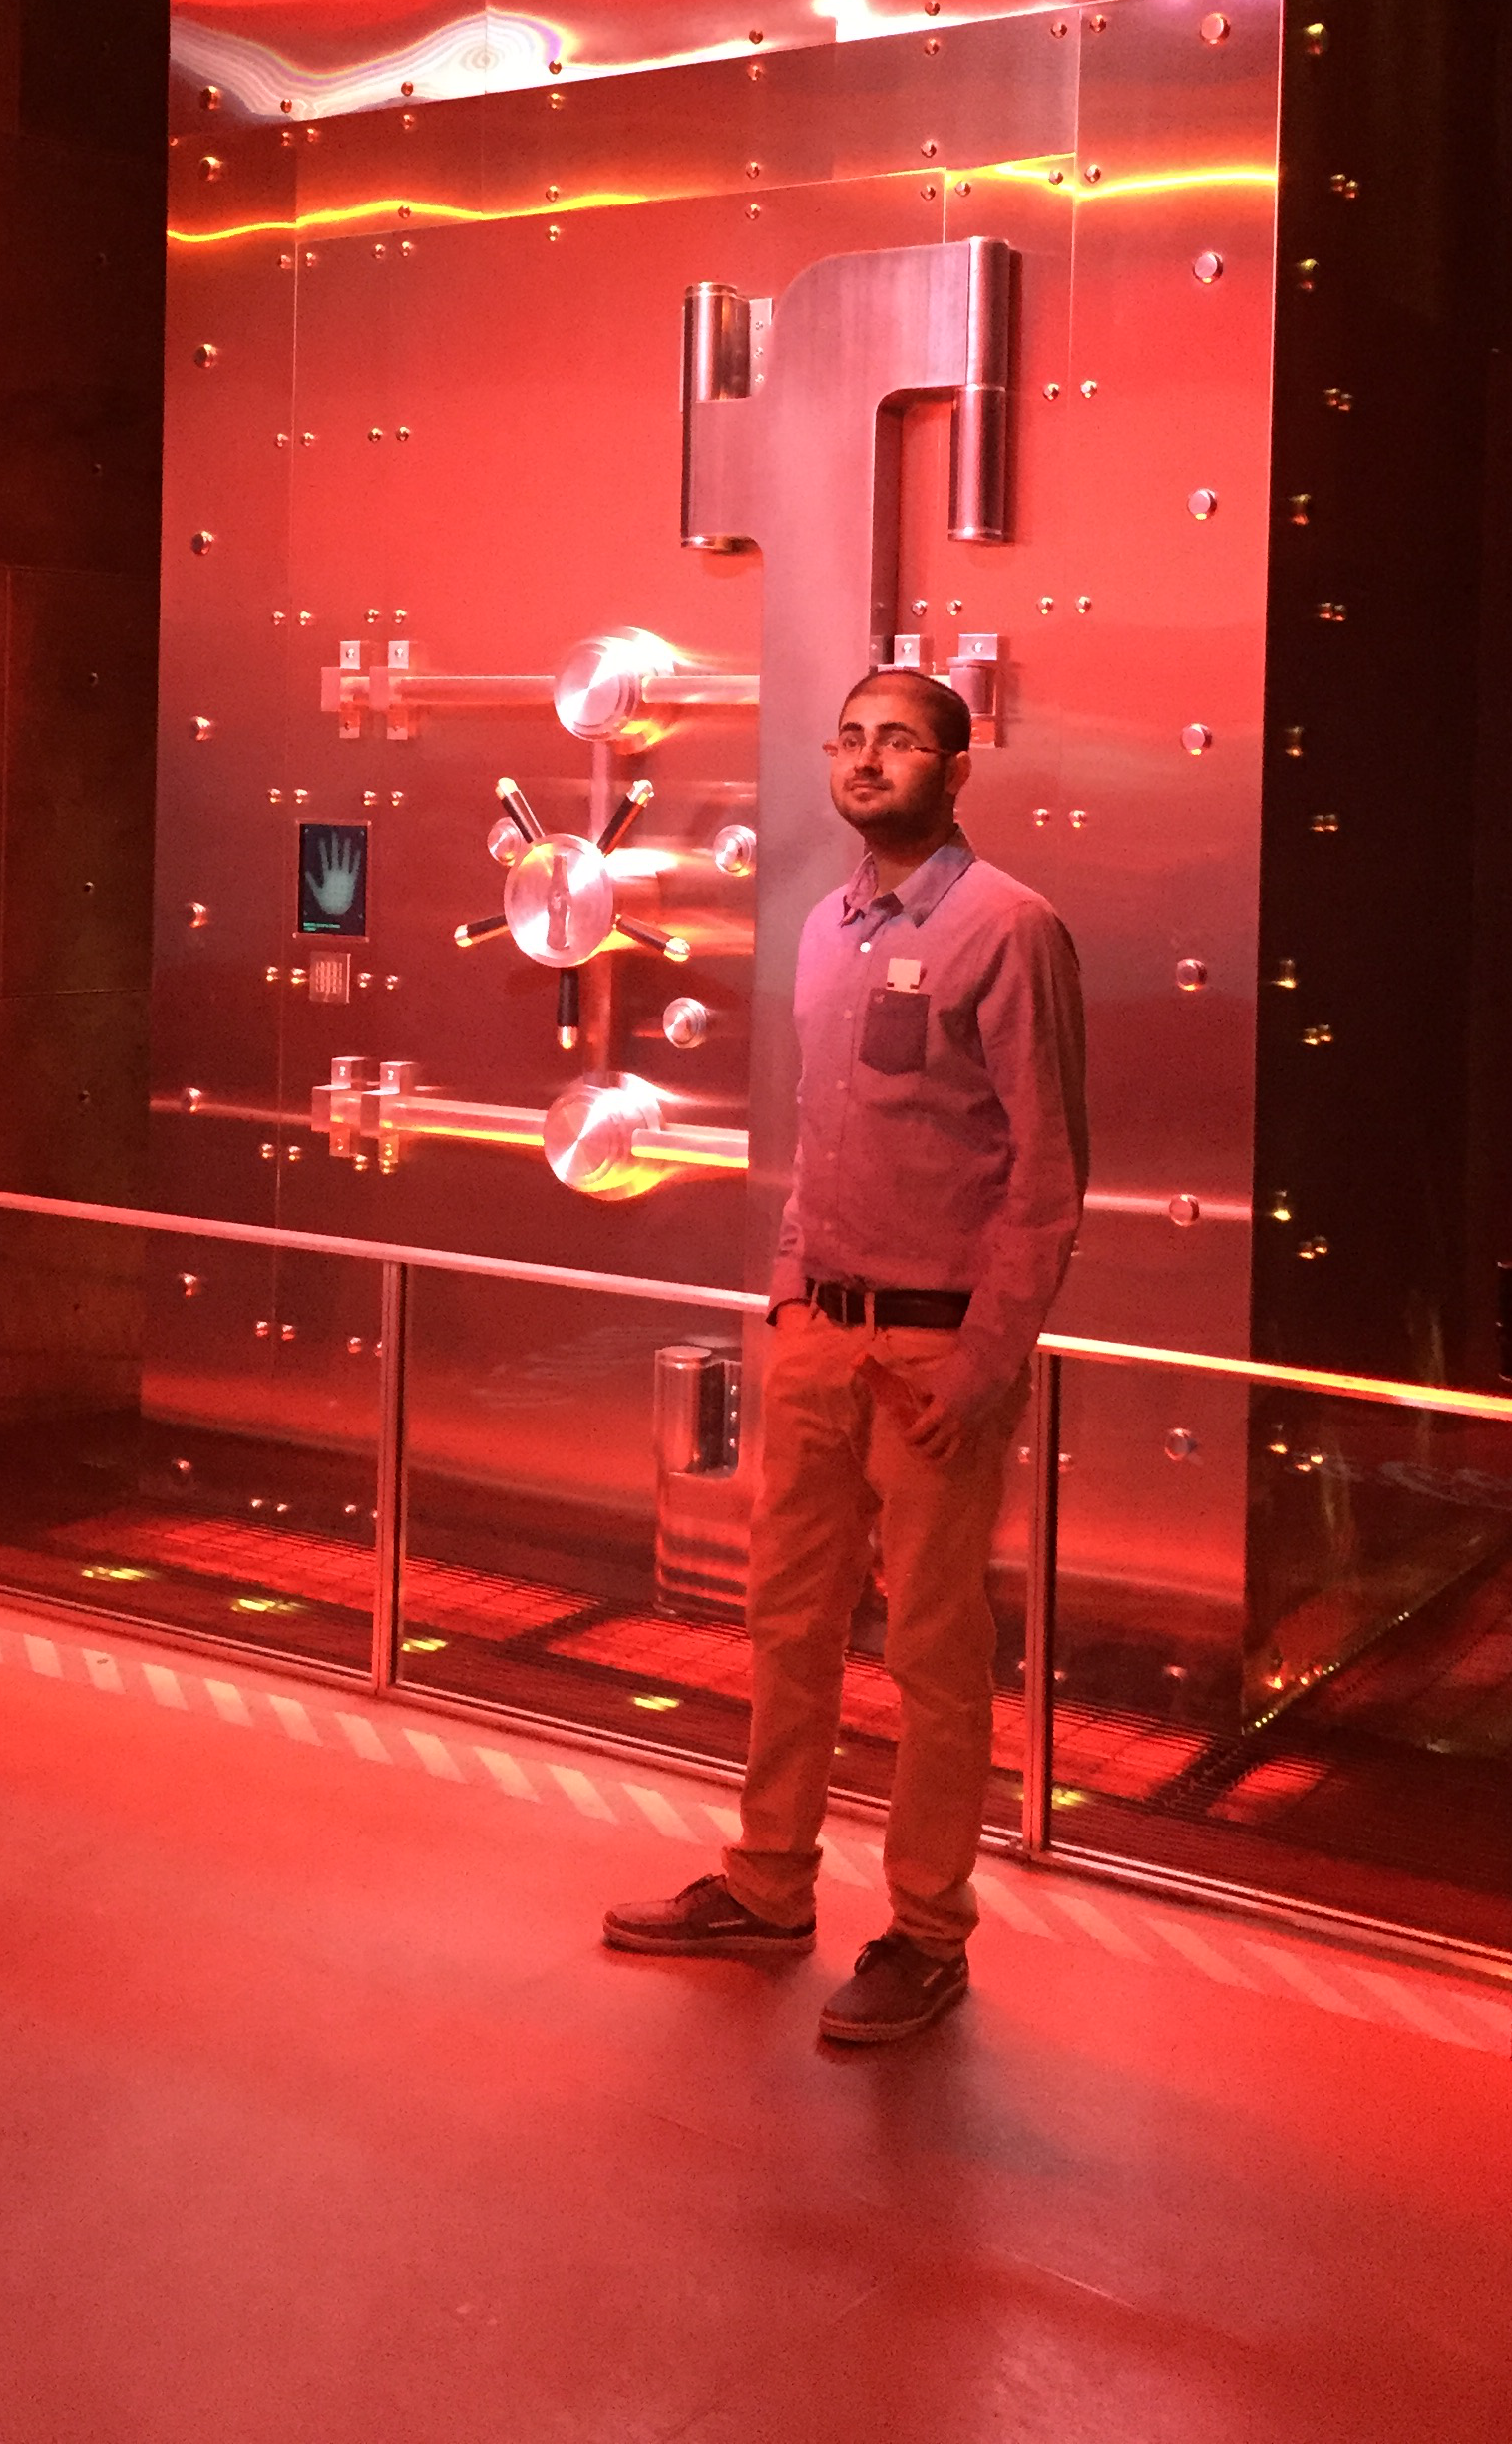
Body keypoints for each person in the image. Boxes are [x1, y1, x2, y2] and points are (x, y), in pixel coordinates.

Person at [604, 664, 1088, 2044]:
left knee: (934, 1659)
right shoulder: (823, 928)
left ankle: (928, 1933)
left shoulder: (1011, 929)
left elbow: (1046, 1180)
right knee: (787, 1625)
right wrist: (783, 1302)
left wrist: (985, 1363)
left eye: (900, 742)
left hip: (937, 1360)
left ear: (954, 770)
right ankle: (768, 1886)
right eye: (854, 739)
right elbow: (822, 1141)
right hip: (819, 1339)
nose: (870, 760)